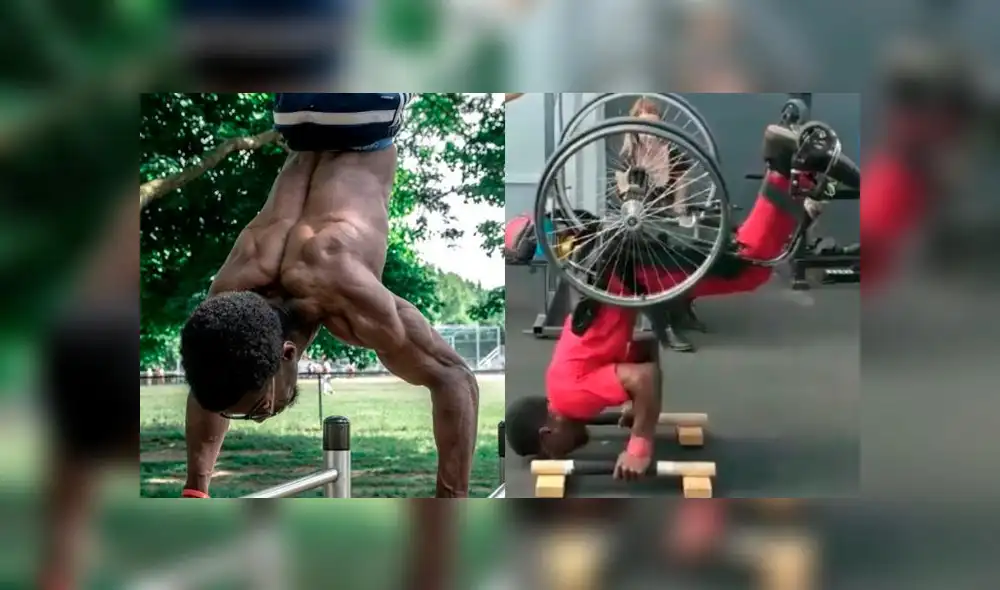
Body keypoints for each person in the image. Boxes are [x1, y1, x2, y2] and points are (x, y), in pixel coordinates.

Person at [179, 94, 480, 498]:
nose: (262, 419)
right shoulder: (226, 301)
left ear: (287, 354)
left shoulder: (343, 295)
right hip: (293, 114)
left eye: (259, 409)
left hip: (364, 113)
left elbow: (454, 379)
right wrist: (195, 492)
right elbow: (208, 387)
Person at [506, 123, 840, 477]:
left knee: (748, 267)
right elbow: (643, 349)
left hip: (629, 275)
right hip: (624, 274)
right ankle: (795, 180)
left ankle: (780, 168)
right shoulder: (562, 387)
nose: (560, 456)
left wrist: (639, 445)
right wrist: (638, 406)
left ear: (547, 436)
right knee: (747, 264)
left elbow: (645, 378)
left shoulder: (574, 398)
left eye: (552, 454)